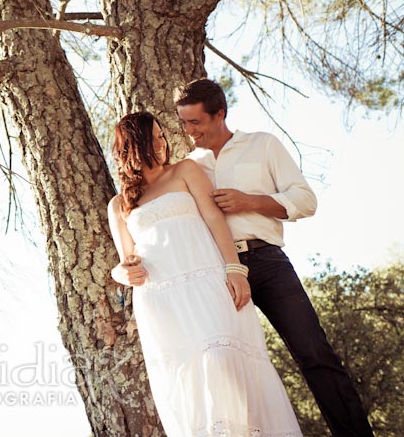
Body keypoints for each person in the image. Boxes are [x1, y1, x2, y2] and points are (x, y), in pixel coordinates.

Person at [165, 77, 373, 437]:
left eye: (195, 122)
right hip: (218, 272)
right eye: (183, 122)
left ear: (220, 115)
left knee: (315, 354)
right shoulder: (189, 166)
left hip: (267, 263)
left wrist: (251, 201)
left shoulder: (262, 145)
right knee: (230, 366)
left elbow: (306, 200)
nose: (188, 131)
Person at [107, 111, 303, 437]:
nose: (161, 143)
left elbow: (215, 219)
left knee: (223, 358)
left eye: (161, 135)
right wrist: (121, 274)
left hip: (207, 281)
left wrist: (235, 270)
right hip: (161, 300)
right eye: (152, 137)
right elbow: (125, 260)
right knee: (189, 380)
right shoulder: (119, 205)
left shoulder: (185, 170)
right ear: (132, 146)